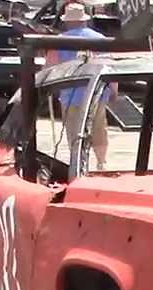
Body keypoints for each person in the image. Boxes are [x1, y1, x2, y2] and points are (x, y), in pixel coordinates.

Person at [45, 3, 110, 171]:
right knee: (99, 129)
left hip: (70, 94)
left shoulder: (58, 41)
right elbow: (110, 66)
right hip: (96, 93)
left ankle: (78, 165)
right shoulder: (101, 39)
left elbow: (50, 69)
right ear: (85, 20)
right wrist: (114, 90)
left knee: (74, 132)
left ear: (67, 21)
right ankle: (101, 163)